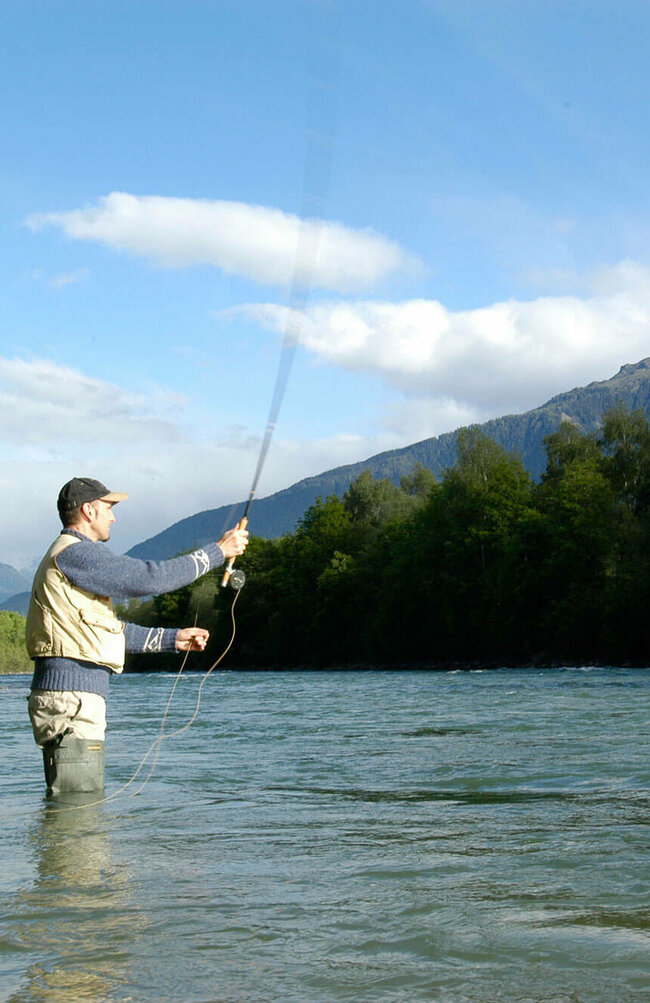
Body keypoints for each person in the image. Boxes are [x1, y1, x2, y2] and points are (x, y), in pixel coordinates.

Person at [25, 476, 249, 794]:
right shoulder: (76, 554)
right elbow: (147, 579)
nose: (113, 516)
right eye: (108, 508)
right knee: (76, 813)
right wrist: (218, 552)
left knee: (76, 814)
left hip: (70, 699)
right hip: (71, 701)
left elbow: (108, 632)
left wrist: (173, 639)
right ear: (89, 511)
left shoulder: (73, 558)